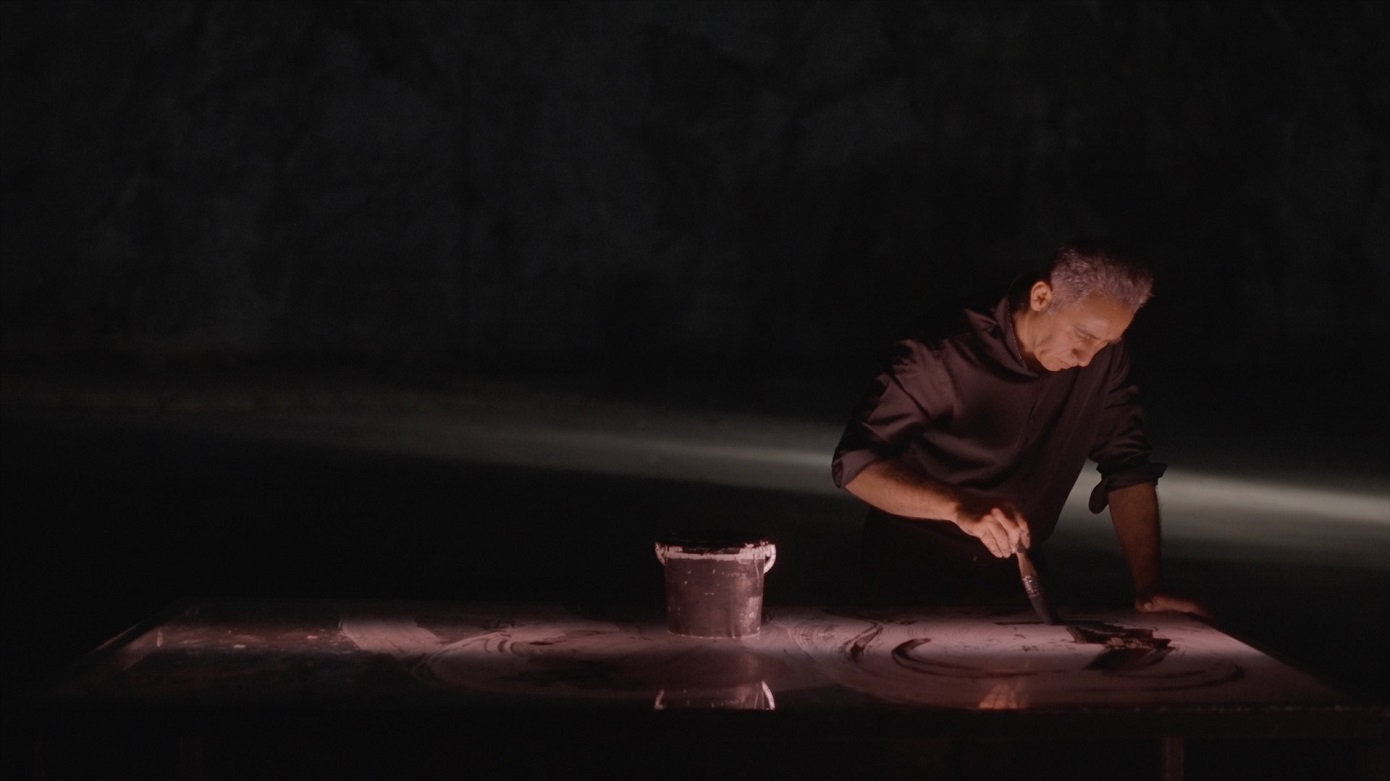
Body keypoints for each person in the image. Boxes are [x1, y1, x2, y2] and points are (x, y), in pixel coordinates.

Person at [831, 237, 1207, 616]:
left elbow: (1128, 467)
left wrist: (1148, 586)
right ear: (1041, 296)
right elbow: (855, 465)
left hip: (1015, 579)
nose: (1087, 359)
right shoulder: (940, 351)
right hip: (908, 575)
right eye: (1084, 337)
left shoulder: (1104, 359)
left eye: (1108, 343)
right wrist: (957, 505)